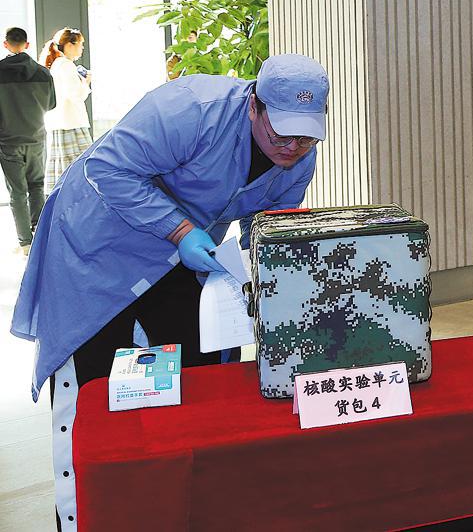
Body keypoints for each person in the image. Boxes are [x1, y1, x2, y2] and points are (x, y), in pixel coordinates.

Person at [10, 54, 328, 531]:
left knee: (200, 367)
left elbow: (267, 226)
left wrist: (261, 274)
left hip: (182, 254)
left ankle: (174, 508)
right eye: (281, 132)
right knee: (96, 386)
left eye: (305, 136)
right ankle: (83, 517)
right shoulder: (190, 108)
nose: (292, 146)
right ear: (253, 106)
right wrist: (180, 230)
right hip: (98, 242)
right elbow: (107, 169)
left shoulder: (299, 158)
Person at [0, 27, 56, 255]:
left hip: (8, 140)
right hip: (36, 137)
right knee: (37, 186)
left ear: (5, 44)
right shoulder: (43, 73)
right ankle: (39, 236)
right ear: (28, 45)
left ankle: (25, 243)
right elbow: (51, 104)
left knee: (17, 191)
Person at [40, 28, 92, 193]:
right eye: (80, 44)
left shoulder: (57, 64)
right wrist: (86, 83)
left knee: (63, 170)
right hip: (71, 123)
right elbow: (75, 95)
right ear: (69, 45)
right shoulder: (66, 65)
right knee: (83, 168)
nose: (82, 48)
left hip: (61, 122)